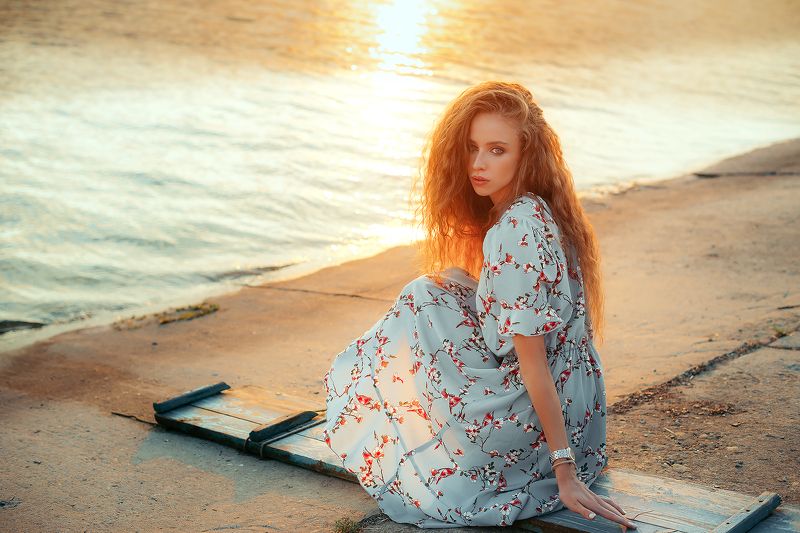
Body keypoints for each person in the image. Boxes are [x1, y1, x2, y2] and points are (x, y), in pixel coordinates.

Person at [322, 81, 636, 530]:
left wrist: (564, 471)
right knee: (440, 287)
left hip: (538, 429)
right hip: (581, 415)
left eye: (496, 150)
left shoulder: (516, 230)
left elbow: (533, 364)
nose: (477, 164)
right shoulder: (537, 209)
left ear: (526, 155)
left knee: (419, 300)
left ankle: (419, 436)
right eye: (472, 148)